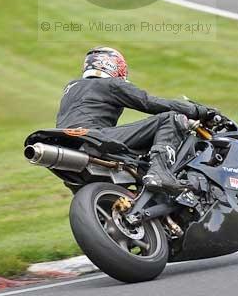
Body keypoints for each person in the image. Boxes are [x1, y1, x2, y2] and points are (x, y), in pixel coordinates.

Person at [55, 46, 220, 195]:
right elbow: (150, 103)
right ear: (112, 65)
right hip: (93, 137)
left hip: (69, 145)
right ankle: (159, 173)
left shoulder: (71, 87)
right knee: (169, 119)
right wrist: (199, 110)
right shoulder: (109, 84)